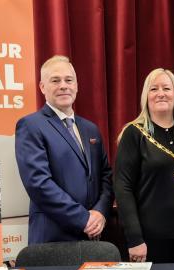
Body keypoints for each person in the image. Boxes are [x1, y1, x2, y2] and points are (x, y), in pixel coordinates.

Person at [114, 68, 174, 263]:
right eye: (154, 89)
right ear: (146, 96)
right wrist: (135, 238)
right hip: (150, 243)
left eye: (167, 88)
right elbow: (123, 188)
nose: (161, 93)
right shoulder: (133, 133)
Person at [15, 55, 113, 244]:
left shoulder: (90, 129)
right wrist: (83, 219)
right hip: (53, 238)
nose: (63, 86)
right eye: (55, 80)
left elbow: (105, 177)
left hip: (93, 237)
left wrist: (100, 213)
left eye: (69, 80)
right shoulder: (30, 125)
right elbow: (38, 184)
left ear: (76, 85)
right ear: (42, 87)